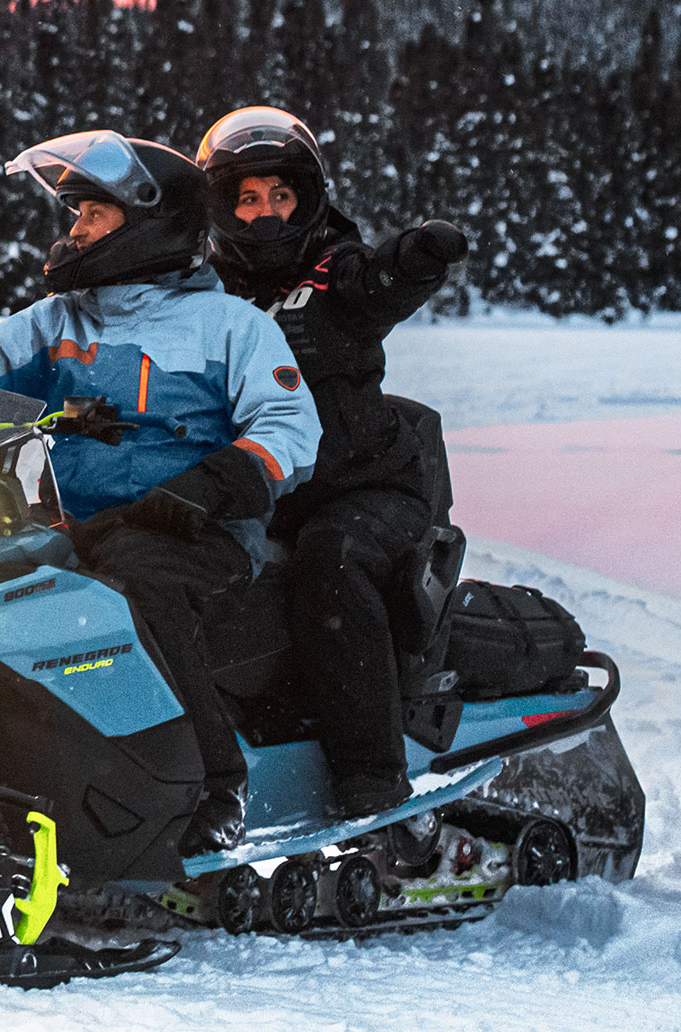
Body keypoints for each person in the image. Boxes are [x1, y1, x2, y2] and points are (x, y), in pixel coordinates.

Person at [0, 128, 322, 852]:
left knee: (138, 582)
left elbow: (291, 428)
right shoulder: (58, 321)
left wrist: (213, 484)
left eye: (91, 216)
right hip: (78, 525)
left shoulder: (231, 325)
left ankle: (215, 787)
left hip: (199, 534)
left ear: (147, 221)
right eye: (74, 216)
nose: (75, 232)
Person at [197, 106, 474, 815]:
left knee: (331, 557)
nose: (264, 215)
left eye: (279, 197)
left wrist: (415, 256)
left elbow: (376, 281)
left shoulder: (332, 272)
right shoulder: (204, 296)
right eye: (248, 199)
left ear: (307, 199)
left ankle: (372, 782)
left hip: (367, 488)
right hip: (263, 491)